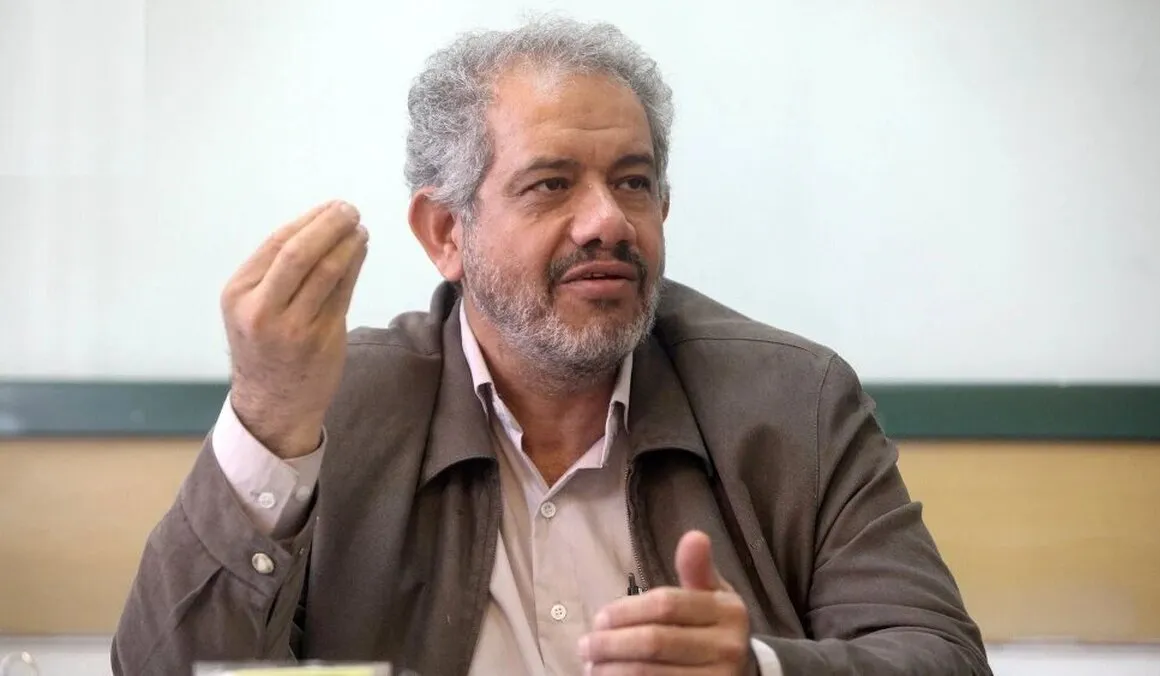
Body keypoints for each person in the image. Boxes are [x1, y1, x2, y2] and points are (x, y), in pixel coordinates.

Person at [112, 17, 991, 676]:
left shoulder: (793, 401)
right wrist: (266, 418)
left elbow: (941, 656)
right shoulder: (337, 408)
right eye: (551, 184)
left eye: (634, 182)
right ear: (446, 233)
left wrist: (759, 671)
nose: (608, 220)